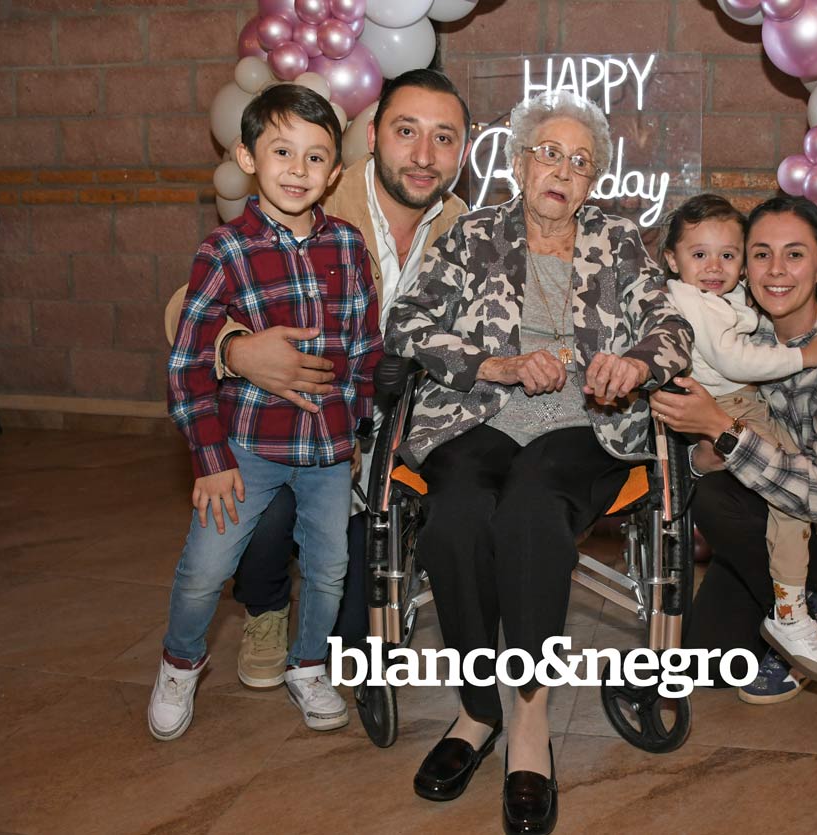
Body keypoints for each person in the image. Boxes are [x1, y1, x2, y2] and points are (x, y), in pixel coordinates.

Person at [385, 91, 691, 835]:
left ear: (592, 182)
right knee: (454, 520)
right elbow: (406, 322)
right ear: (519, 164)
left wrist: (635, 362)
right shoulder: (474, 235)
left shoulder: (619, 242)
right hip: (479, 414)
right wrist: (494, 364)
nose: (563, 170)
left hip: (585, 423)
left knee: (530, 511)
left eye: (580, 162)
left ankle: (526, 716)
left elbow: (671, 327)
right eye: (549, 154)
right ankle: (476, 707)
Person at [162, 69, 472, 690]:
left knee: (351, 640)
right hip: (282, 418)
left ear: (462, 152)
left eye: (443, 138)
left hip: (365, 425)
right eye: (406, 131)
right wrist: (239, 352)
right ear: (373, 137)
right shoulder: (319, 196)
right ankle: (265, 608)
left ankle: (324, 642)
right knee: (263, 507)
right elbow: (182, 314)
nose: (423, 154)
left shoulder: (461, 223)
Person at [151, 84, 382, 740]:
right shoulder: (223, 250)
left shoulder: (347, 246)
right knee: (205, 567)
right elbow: (188, 364)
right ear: (247, 157)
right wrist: (211, 459)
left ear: (333, 173)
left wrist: (355, 428)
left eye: (315, 157)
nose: (298, 169)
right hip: (246, 448)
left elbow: (364, 348)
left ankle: (308, 666)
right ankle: (180, 662)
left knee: (329, 567)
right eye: (282, 151)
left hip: (328, 452)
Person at [650, 195, 817, 705]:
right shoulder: (738, 324)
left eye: (795, 254)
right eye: (761, 253)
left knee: (719, 497)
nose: (776, 270)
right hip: (765, 511)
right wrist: (700, 457)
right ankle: (781, 594)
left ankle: (802, 609)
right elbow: (694, 447)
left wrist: (720, 429)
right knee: (707, 665)